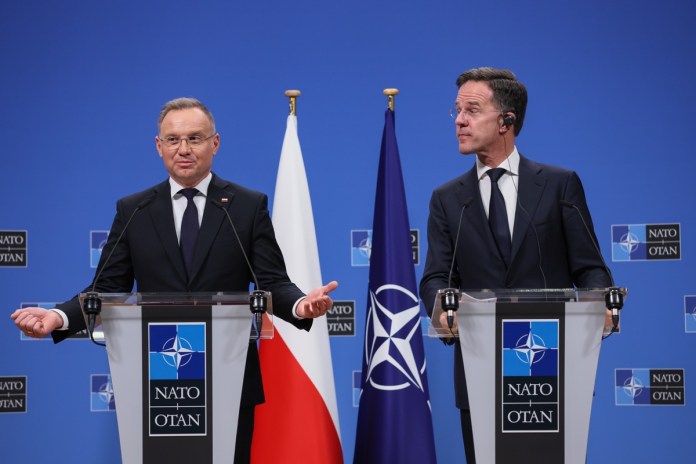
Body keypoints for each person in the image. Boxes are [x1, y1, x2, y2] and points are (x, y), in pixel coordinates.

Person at [11, 97, 338, 464]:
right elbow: (105, 289)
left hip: (228, 379)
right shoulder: (134, 209)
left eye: (195, 138)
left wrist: (299, 305)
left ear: (215, 143)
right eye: (173, 139)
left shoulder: (246, 206)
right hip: (158, 380)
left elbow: (273, 281)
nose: (183, 149)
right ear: (159, 146)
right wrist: (60, 316)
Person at [419, 67, 613, 463]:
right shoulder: (447, 199)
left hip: (548, 367)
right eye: (457, 110)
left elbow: (590, 268)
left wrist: (601, 304)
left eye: (472, 110)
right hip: (479, 369)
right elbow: (437, 277)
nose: (459, 120)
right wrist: (443, 309)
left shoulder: (559, 185)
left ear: (507, 120)